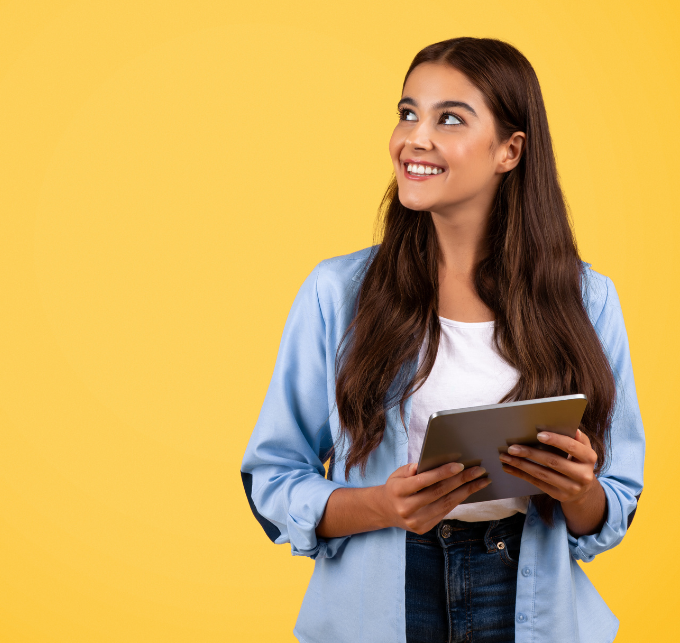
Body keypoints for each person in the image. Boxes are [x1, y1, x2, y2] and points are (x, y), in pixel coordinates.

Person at [239, 37, 645, 643]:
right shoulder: (339, 293)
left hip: (528, 604)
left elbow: (614, 500)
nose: (415, 138)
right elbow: (271, 479)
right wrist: (382, 506)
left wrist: (580, 491)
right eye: (408, 113)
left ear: (510, 150)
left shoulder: (586, 300)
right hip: (384, 601)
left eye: (448, 118)